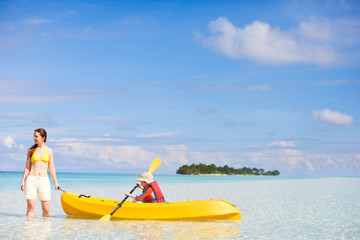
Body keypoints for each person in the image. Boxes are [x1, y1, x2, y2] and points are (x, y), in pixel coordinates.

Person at [19, 128, 60, 217]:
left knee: (46, 210)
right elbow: (27, 167)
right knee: (31, 209)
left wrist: (55, 183)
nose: (34, 138)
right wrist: (22, 181)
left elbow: (51, 167)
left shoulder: (49, 151)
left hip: (44, 181)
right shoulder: (30, 150)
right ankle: (29, 230)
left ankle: (45, 230)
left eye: (36, 136)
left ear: (43, 138)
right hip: (31, 180)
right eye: (34, 136)